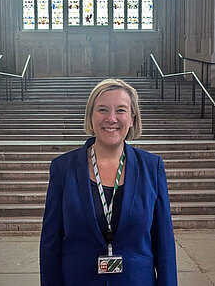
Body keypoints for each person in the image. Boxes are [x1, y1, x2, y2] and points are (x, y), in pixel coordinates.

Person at [40, 78, 177, 285]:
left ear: (132, 119)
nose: (111, 118)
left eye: (121, 110)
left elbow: (164, 244)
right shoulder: (63, 169)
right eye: (102, 110)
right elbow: (50, 245)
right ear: (91, 116)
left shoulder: (152, 167)